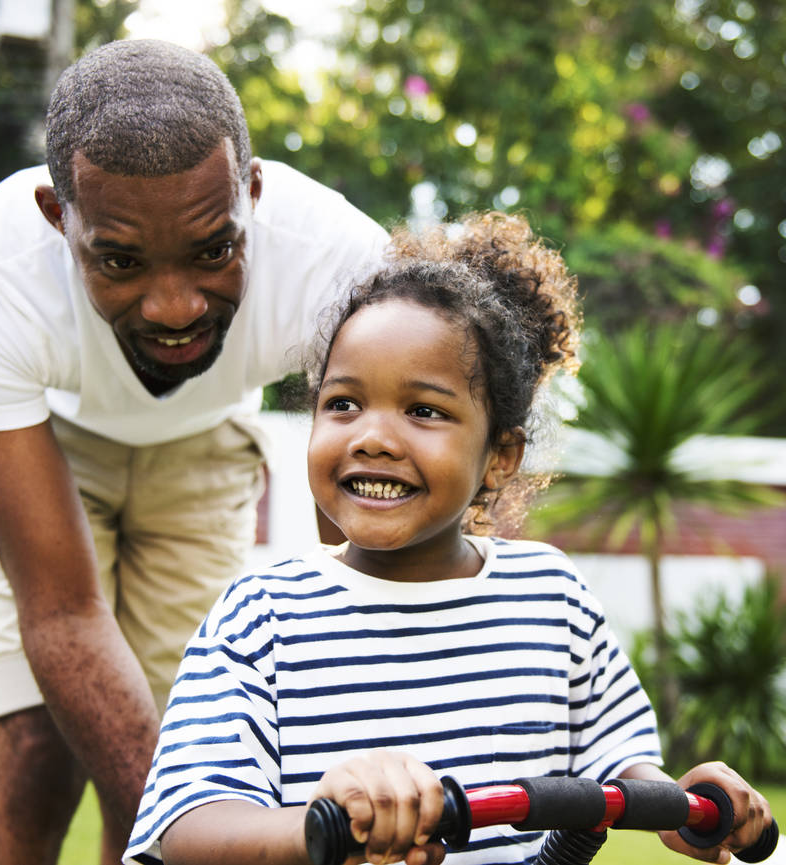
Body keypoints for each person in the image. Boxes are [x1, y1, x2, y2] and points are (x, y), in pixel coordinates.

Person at [122, 212, 773, 865]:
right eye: (343, 402)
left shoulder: (552, 599)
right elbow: (187, 825)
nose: (371, 436)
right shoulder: (261, 616)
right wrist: (321, 826)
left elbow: (619, 761)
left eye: (423, 410)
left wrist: (681, 807)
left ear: (500, 454)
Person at [0, 38, 389, 865]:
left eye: (213, 251)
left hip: (204, 458)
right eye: (120, 260)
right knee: (37, 759)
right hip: (47, 448)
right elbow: (61, 613)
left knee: (192, 744)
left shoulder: (340, 266)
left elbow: (356, 573)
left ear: (253, 193)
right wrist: (195, 833)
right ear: (58, 219)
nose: (173, 307)